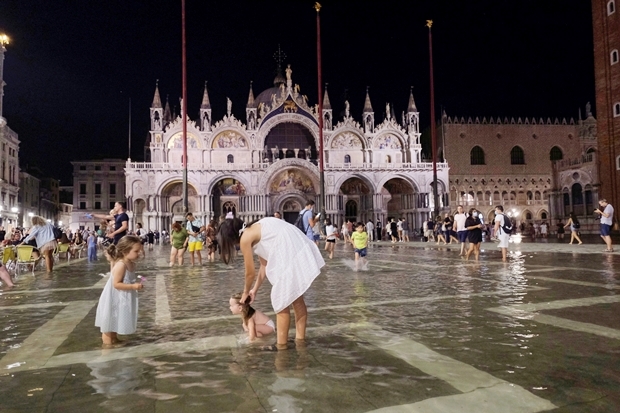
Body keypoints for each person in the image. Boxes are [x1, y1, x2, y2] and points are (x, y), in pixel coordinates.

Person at [218, 216, 325, 351]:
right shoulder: (256, 228)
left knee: (280, 304)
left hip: (288, 250)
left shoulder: (245, 237)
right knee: (297, 300)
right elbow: (264, 266)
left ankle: (281, 346)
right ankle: (300, 340)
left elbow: (250, 273)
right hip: (296, 245)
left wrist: (245, 292)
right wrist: (254, 290)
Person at [94, 236, 144, 345]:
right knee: (108, 323)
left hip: (121, 297)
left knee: (116, 318)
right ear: (125, 251)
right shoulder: (121, 265)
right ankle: (107, 346)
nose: (139, 253)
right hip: (113, 297)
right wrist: (133, 287)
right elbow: (116, 284)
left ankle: (115, 340)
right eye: (136, 251)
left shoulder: (131, 264)